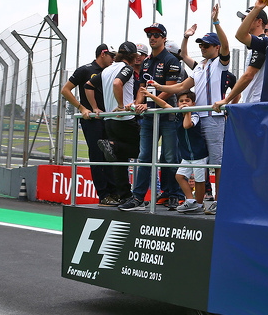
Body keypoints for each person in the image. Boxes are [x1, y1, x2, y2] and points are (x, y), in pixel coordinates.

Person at [150, 5, 230, 215]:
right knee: (202, 164)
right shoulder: (199, 66)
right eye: (201, 44)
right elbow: (181, 86)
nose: (202, 47)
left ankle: (220, 202)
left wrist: (216, 22)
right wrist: (159, 87)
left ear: (216, 47)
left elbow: (227, 46)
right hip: (197, 118)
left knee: (216, 163)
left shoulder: (220, 64)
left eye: (206, 45)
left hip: (213, 118)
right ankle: (200, 201)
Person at [118, 23, 183, 211]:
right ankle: (138, 198)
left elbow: (170, 89)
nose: (152, 38)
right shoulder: (145, 62)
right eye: (149, 35)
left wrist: (149, 103)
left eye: (156, 35)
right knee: (144, 156)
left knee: (170, 157)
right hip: (148, 117)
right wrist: (138, 103)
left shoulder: (171, 60)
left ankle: (174, 194)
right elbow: (142, 88)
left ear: (164, 38)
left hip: (167, 115)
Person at [85, 42, 147, 206]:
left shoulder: (106, 70)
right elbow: (117, 83)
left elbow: (88, 85)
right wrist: (121, 105)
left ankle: (125, 195)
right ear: (133, 57)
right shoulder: (126, 68)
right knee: (141, 152)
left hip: (109, 120)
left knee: (119, 161)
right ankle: (112, 145)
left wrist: (95, 108)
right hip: (125, 119)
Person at [60, 44, 117, 205]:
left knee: (112, 155)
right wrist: (81, 108)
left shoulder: (110, 72)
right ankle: (104, 194)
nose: (113, 59)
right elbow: (65, 90)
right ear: (102, 54)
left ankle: (115, 193)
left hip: (108, 118)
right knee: (97, 155)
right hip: (92, 120)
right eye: (111, 56)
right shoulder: (85, 70)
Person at [143, 89, 208, 214]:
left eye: (187, 101)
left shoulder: (194, 115)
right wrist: (151, 96)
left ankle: (199, 205)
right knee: (179, 176)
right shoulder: (177, 114)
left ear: (193, 104)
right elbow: (164, 104)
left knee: (200, 181)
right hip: (186, 154)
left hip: (198, 154)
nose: (184, 103)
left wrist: (187, 112)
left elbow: (187, 125)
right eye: (181, 101)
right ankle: (190, 201)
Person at [229, 6, 268, 104]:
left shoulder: (262, 43)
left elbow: (249, 75)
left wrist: (226, 100)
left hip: (258, 103)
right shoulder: (258, 44)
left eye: (247, 18)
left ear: (259, 22)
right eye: (243, 19)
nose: (243, 22)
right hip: (252, 102)